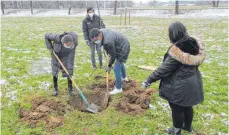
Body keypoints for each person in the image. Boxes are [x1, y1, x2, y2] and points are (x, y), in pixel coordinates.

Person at [142, 22, 206, 135]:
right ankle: (187, 127)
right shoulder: (193, 45)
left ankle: (176, 131)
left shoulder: (178, 51)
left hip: (179, 86)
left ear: (173, 34)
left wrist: (148, 80)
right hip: (193, 82)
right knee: (187, 106)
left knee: (177, 109)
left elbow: (163, 69)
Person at [90, 28, 130, 95]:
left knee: (116, 67)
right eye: (94, 41)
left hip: (123, 47)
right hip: (118, 45)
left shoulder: (108, 41)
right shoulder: (102, 33)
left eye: (96, 40)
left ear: (99, 35)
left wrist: (109, 66)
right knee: (119, 62)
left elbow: (113, 55)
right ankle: (124, 77)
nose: (96, 42)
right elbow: (108, 50)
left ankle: (118, 88)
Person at [45, 32, 78, 96]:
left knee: (69, 70)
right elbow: (46, 36)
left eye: (70, 44)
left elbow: (71, 59)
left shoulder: (74, 43)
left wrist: (69, 69)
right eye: (67, 44)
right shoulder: (56, 38)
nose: (68, 45)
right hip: (56, 54)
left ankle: (70, 89)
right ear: (63, 43)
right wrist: (50, 48)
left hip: (66, 56)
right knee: (55, 71)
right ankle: (55, 89)